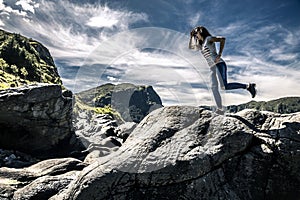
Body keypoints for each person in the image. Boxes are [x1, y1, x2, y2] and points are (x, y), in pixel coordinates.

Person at [189, 26, 256, 115]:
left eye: (196, 33)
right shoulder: (201, 44)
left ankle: (248, 86)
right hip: (212, 67)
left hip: (219, 64)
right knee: (214, 88)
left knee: (224, 86)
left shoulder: (208, 39)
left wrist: (219, 54)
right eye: (194, 34)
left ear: (201, 32)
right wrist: (191, 36)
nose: (195, 35)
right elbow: (191, 47)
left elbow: (222, 39)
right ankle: (220, 109)